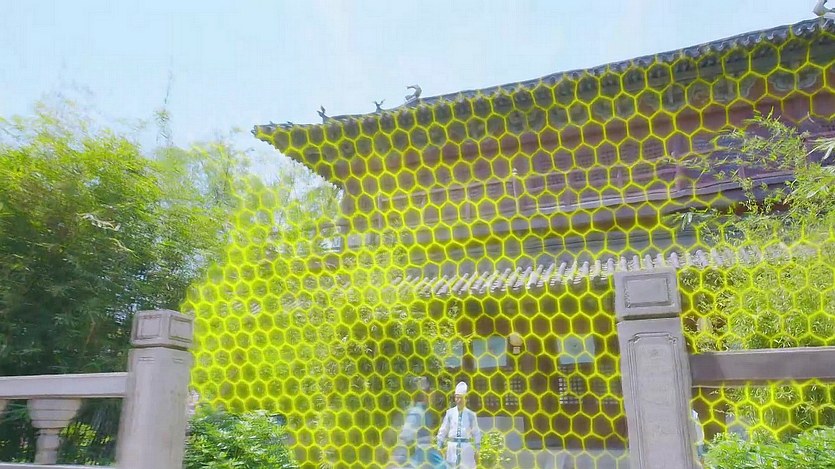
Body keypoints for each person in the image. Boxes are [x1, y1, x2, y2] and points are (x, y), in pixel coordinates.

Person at [436, 382, 482, 469]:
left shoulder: (471, 415)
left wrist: (477, 448)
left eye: (461, 398)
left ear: (466, 399)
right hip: (452, 448)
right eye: (457, 398)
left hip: (466, 448)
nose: (459, 400)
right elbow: (443, 430)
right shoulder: (450, 413)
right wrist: (439, 445)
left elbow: (476, 432)